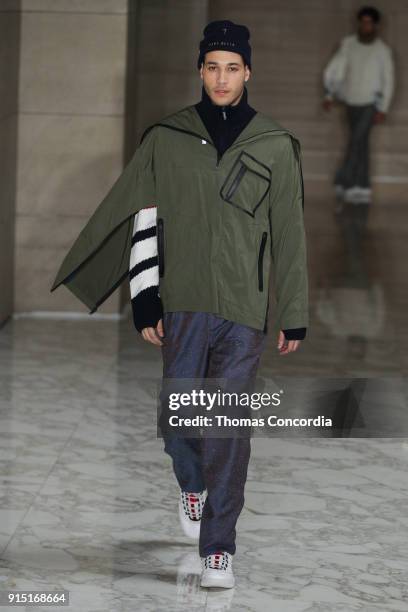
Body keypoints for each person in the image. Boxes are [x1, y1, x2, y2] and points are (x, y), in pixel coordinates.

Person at [50, 20, 308, 589]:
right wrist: (145, 301)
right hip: (184, 302)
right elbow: (142, 217)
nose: (222, 77)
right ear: (200, 71)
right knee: (177, 421)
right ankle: (192, 486)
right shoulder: (167, 137)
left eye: (232, 67)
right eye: (212, 67)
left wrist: (293, 311)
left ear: (248, 72)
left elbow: (289, 233)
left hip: (243, 307)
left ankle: (220, 548)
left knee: (227, 428)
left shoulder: (273, 144)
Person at [323, 5, 395, 205]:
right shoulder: (348, 44)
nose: (365, 26)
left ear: (375, 25)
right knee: (360, 145)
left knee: (356, 142)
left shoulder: (382, 50)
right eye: (362, 22)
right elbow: (336, 68)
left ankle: (342, 179)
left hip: (371, 104)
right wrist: (329, 94)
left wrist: (384, 108)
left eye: (369, 22)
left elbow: (388, 80)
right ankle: (361, 186)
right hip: (350, 103)